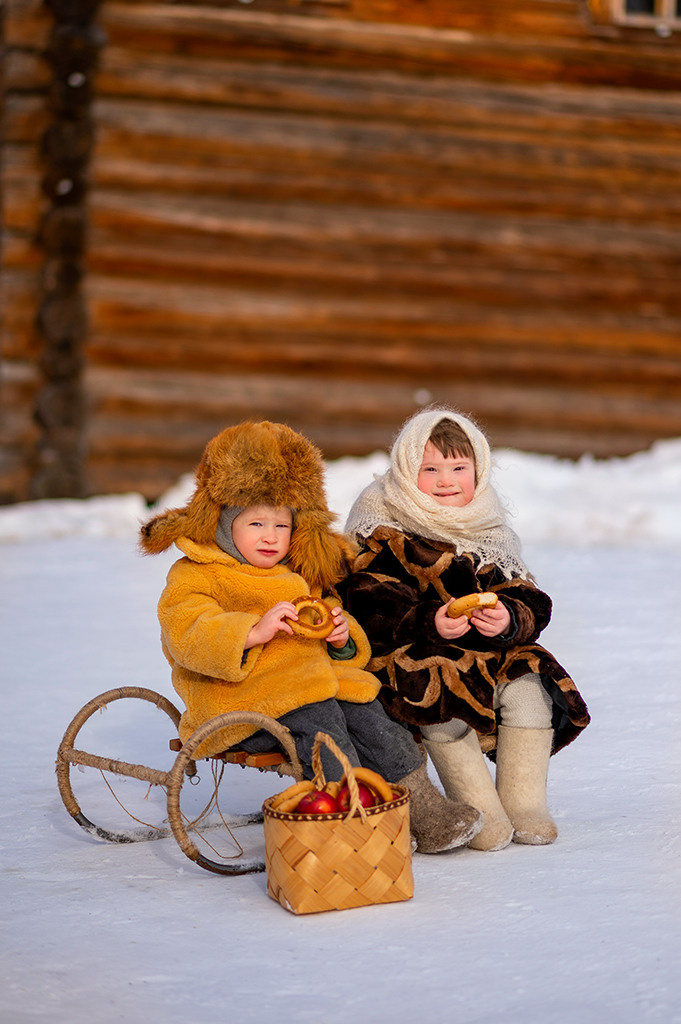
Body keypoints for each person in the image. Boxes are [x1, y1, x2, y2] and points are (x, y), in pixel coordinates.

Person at [139, 419, 482, 854]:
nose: (270, 537)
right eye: (255, 524)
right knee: (321, 723)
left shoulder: (299, 572)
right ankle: (355, 818)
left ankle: (425, 808)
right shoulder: (200, 573)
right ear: (226, 524)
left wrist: (341, 638)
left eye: (281, 527)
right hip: (241, 702)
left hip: (316, 687)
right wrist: (251, 630)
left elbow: (333, 626)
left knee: (371, 712)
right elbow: (185, 631)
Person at [337, 407, 590, 851]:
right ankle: (479, 806)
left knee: (530, 675)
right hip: (408, 649)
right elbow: (366, 598)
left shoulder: (488, 526)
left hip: (485, 650)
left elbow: (525, 593)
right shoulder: (382, 524)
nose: (446, 480)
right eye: (430, 468)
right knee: (437, 679)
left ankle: (522, 802)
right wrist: (427, 621)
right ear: (404, 469)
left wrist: (510, 618)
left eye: (459, 467)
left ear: (479, 470)